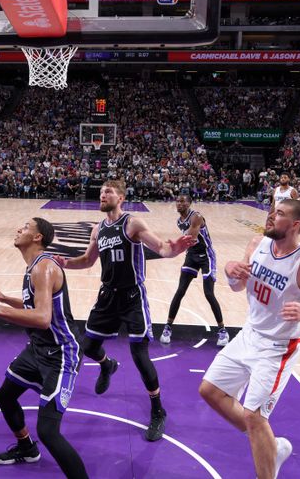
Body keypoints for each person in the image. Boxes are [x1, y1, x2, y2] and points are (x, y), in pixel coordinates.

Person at [199, 200, 300, 479]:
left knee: (254, 416)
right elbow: (237, 286)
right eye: (271, 212)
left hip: (278, 348)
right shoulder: (257, 242)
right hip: (249, 334)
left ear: (295, 225)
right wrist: (230, 270)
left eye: (279, 214)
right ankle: (270, 444)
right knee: (210, 392)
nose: (270, 217)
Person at [55, 180, 193, 441]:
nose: (102, 195)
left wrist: (174, 249)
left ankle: (157, 411)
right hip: (107, 296)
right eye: (100, 193)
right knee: (90, 348)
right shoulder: (98, 229)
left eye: (107, 192)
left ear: (120, 198)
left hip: (132, 297)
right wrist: (65, 263)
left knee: (140, 356)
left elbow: (162, 248)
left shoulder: (133, 224)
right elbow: (87, 260)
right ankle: (108, 365)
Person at [0, 218, 88, 478]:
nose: (19, 229)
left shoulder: (43, 268)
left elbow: (42, 318)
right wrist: (5, 299)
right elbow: (35, 303)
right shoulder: (34, 266)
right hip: (38, 350)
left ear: (37, 237)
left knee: (49, 431)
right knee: (5, 396)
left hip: (61, 353)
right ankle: (26, 447)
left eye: (26, 227)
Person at [160, 194, 228, 347]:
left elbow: (191, 237)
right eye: (177, 201)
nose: (179, 203)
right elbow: (187, 243)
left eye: (183, 201)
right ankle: (167, 327)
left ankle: (223, 331)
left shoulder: (196, 216)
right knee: (180, 291)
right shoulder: (179, 221)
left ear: (189, 203)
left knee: (209, 293)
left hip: (206, 256)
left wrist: (172, 246)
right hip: (192, 255)